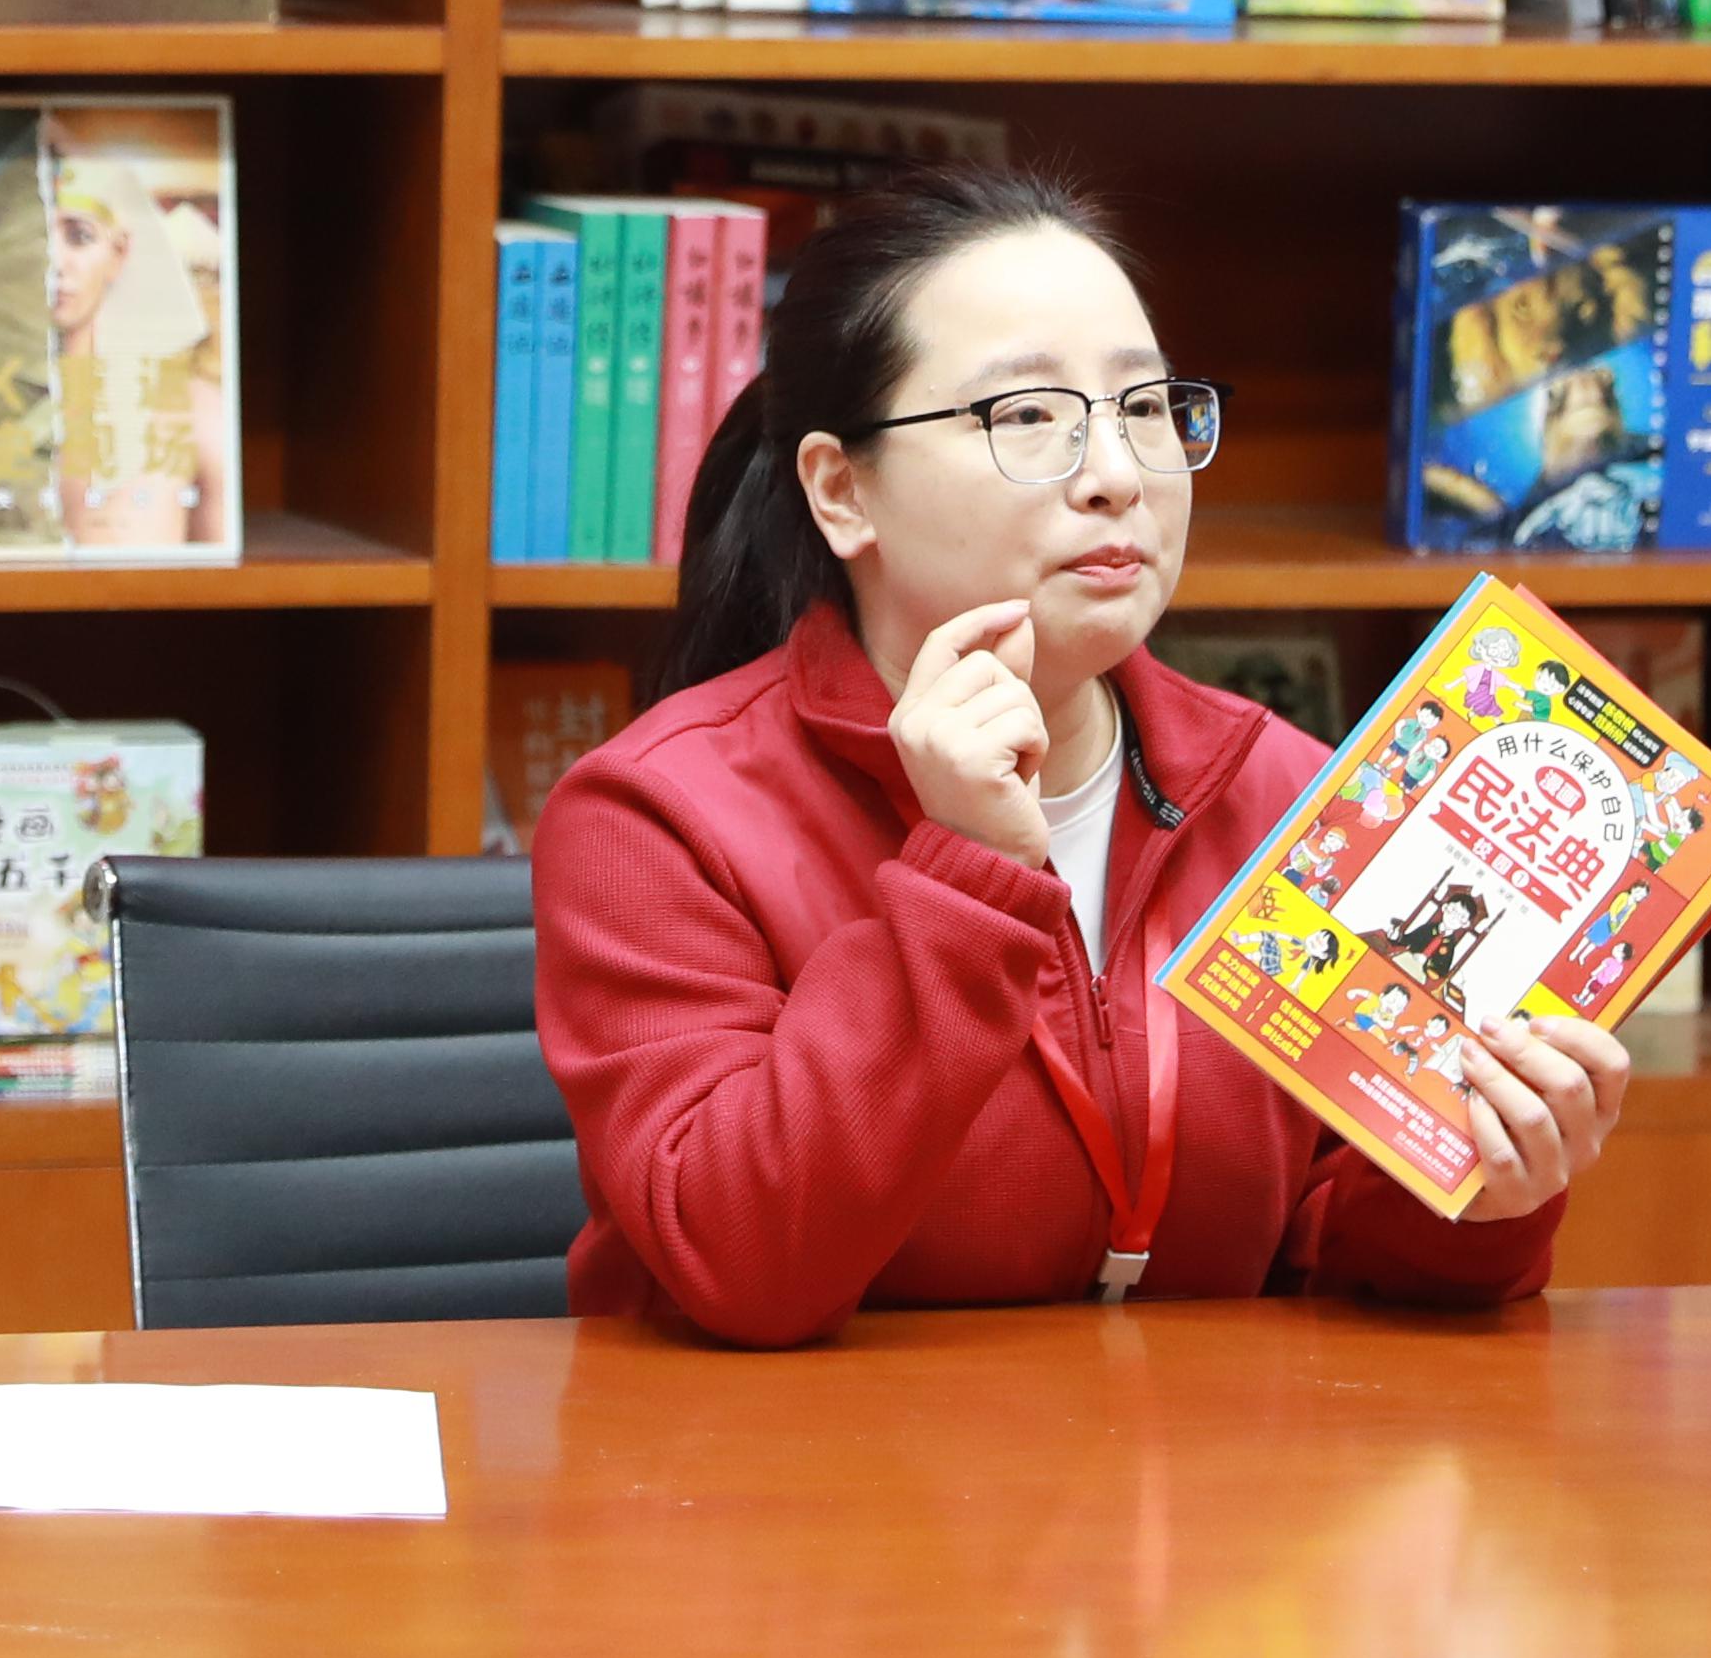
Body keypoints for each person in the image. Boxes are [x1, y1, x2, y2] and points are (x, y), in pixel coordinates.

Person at [530, 163, 1626, 1344]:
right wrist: (965, 871)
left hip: (1192, 1458)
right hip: (784, 1461)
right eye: (1026, 416)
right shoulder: (657, 815)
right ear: (841, 491)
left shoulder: (1288, 791)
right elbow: (741, 1263)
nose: (1115, 476)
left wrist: (1475, 1193)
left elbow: (1324, 1247)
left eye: (1146, 408)